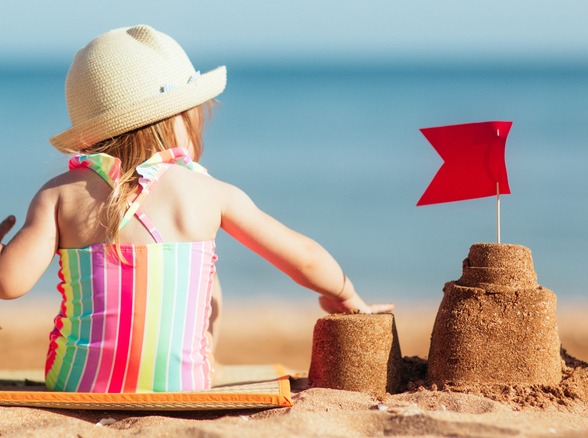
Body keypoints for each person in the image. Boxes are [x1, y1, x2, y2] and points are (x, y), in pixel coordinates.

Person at [0, 25, 393, 393]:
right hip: (182, 385)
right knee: (208, 275)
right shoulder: (210, 193)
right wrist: (346, 294)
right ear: (179, 120)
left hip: (77, 383)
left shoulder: (58, 195)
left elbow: (10, 283)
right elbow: (304, 259)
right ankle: (197, 364)